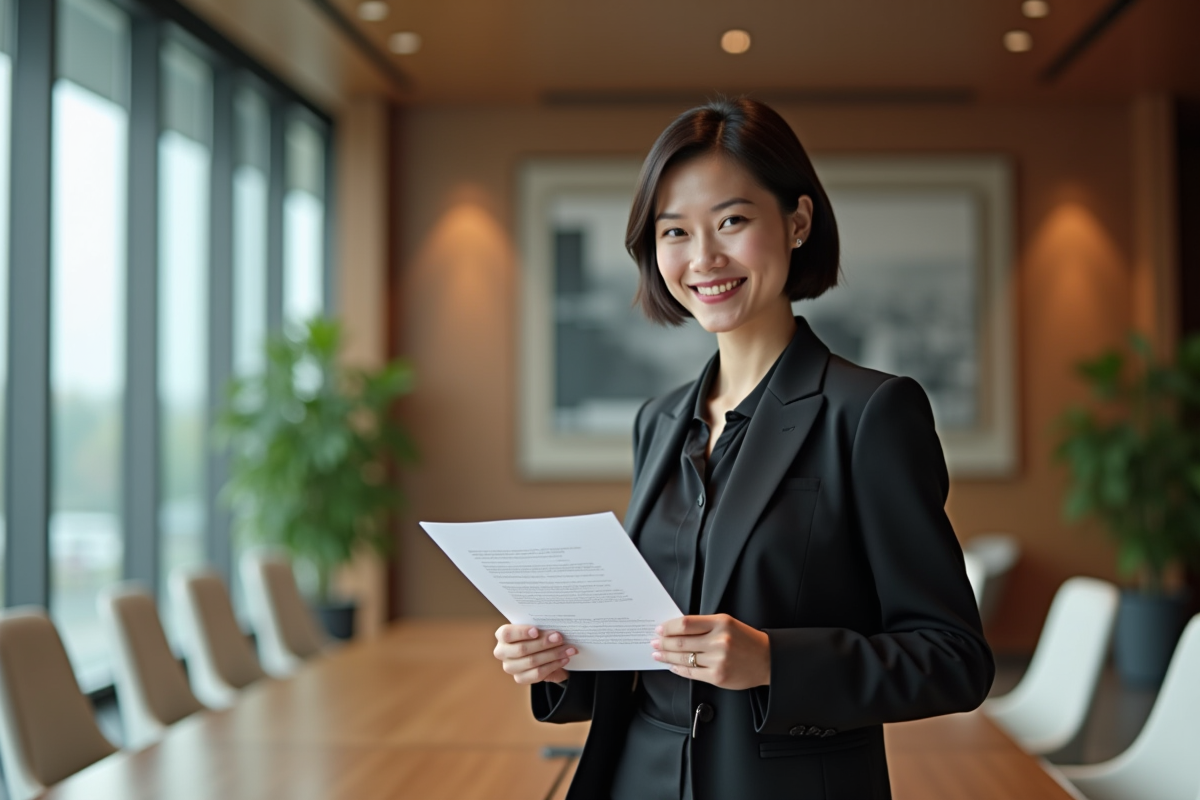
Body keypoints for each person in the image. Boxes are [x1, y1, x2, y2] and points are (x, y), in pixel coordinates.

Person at [493, 98, 994, 800]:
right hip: (636, 780)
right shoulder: (660, 420)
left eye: (732, 221)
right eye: (675, 231)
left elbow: (954, 660)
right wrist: (561, 663)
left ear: (797, 222)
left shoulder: (871, 413)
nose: (704, 259)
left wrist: (774, 661)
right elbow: (651, 648)